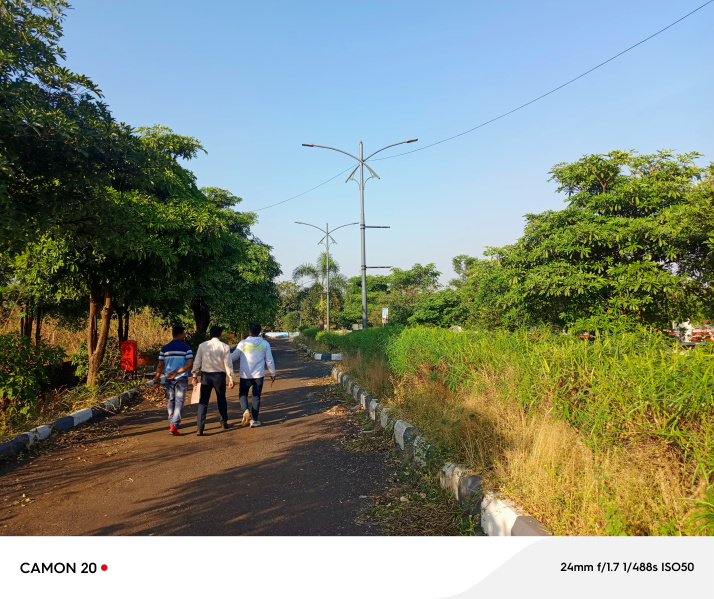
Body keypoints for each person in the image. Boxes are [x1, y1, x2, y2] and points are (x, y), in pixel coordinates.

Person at [191, 325, 235, 435]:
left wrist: (194, 376)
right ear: (220, 334)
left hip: (206, 376)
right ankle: (223, 422)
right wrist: (231, 378)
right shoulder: (225, 346)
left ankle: (200, 427)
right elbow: (228, 364)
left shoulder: (202, 346)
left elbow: (197, 362)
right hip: (219, 376)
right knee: (221, 398)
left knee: (203, 401)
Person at [231, 323, 276, 428]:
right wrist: (272, 373)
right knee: (256, 396)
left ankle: (245, 410)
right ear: (259, 332)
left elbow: (234, 357)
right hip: (258, 375)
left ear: (250, 332)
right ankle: (254, 420)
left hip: (245, 375)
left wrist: (223, 357)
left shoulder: (243, 343)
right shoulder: (265, 344)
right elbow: (269, 360)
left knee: (243, 394)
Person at [154, 325, 194, 436]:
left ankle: (172, 421)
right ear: (180, 334)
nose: (185, 336)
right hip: (181, 378)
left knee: (171, 399)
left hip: (168, 378)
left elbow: (160, 365)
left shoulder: (164, 348)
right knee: (180, 400)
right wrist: (177, 372)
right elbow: (189, 364)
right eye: (184, 334)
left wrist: (156, 381)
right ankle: (174, 424)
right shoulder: (186, 348)